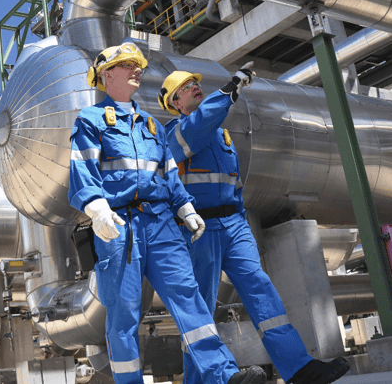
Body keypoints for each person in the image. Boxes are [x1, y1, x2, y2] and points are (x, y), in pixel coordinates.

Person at [68, 42, 266, 384]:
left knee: (188, 296)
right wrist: (97, 207)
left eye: (137, 64)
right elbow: (83, 168)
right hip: (119, 224)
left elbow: (169, 173)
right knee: (124, 313)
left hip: (161, 223)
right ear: (106, 75)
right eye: (128, 65)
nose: (136, 70)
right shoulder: (91, 120)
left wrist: (186, 207)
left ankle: (223, 375)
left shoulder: (152, 125)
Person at [158, 67, 351, 384]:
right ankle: (213, 378)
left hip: (234, 224)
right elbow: (200, 124)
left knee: (261, 290)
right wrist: (230, 89)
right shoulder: (175, 134)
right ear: (175, 102)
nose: (195, 87)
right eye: (186, 86)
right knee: (199, 308)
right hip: (198, 228)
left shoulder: (222, 135)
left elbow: (232, 182)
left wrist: (239, 215)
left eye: (196, 83)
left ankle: (298, 367)